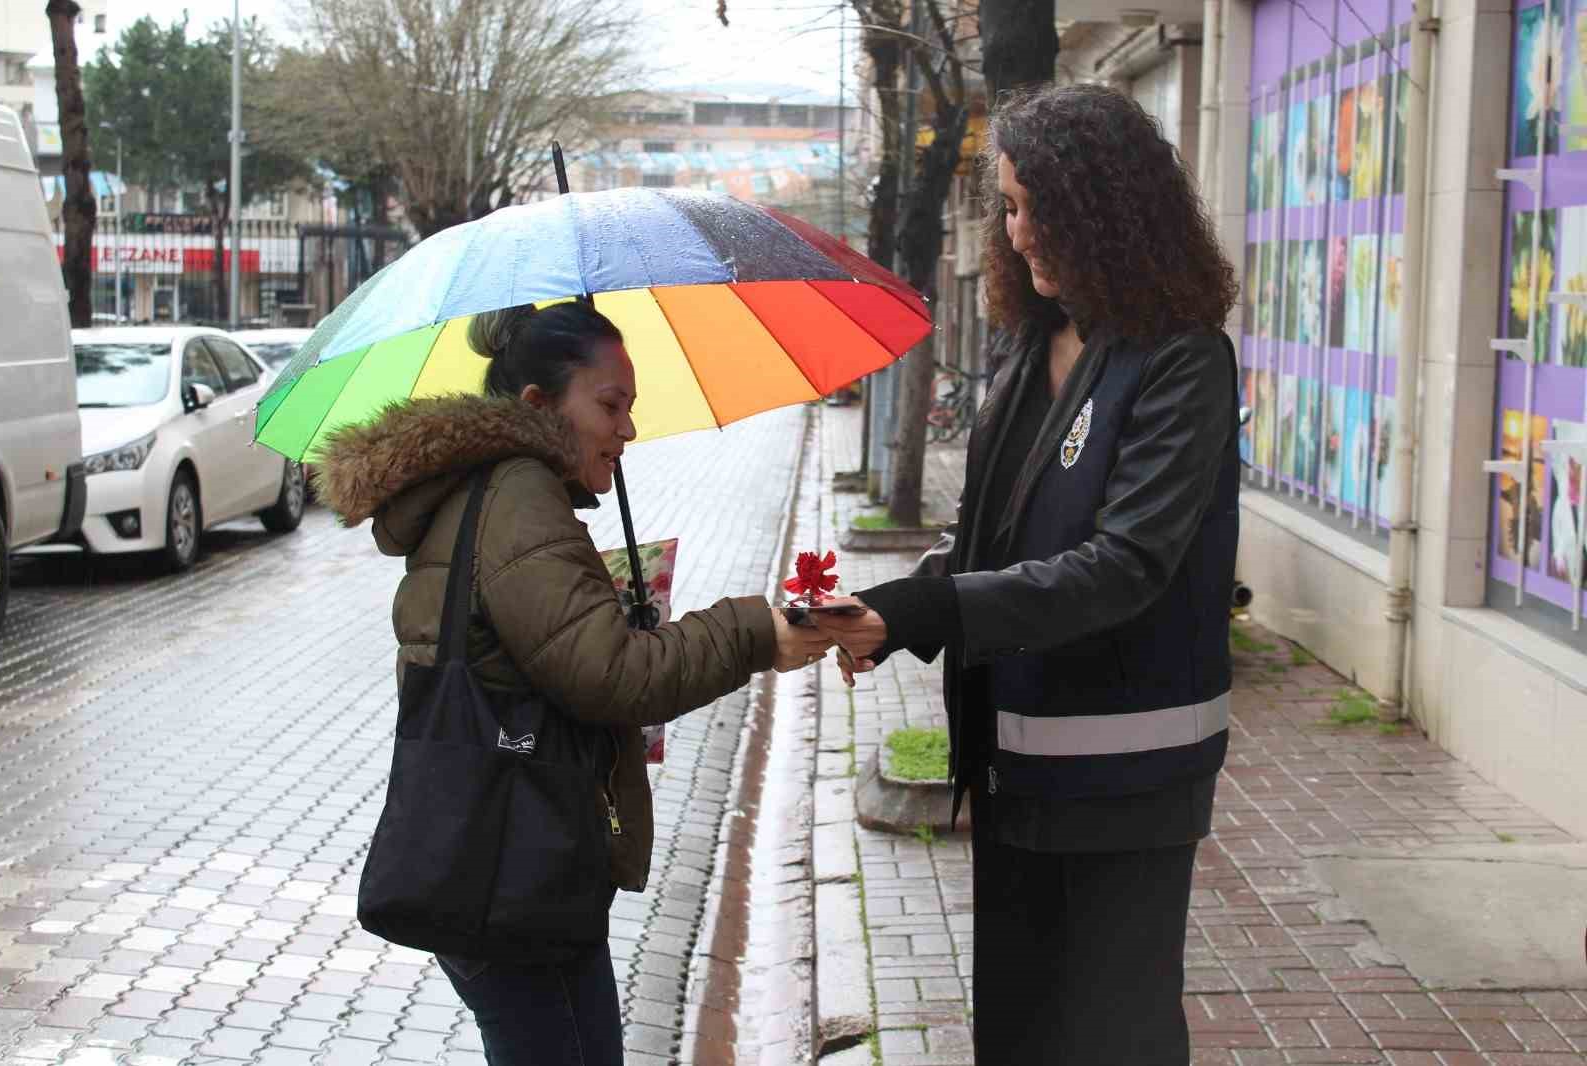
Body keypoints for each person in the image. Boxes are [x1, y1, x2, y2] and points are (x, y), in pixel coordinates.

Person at [815, 83, 1241, 1064]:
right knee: (1018, 1029)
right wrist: (890, 612)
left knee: (1116, 1037)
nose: (1020, 232)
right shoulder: (1031, 345)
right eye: (1009, 206)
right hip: (1012, 761)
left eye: (1039, 206)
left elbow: (1124, 564)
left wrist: (928, 607)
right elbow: (994, 541)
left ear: (1109, 208)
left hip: (1129, 774)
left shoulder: (1183, 362)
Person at [318, 301, 834, 1066]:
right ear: (537, 405)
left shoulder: (497, 488)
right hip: (512, 873)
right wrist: (755, 630)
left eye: (631, 407)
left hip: (512, 863)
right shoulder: (519, 495)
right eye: (610, 405)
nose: (628, 429)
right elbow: (612, 676)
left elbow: (562, 650)